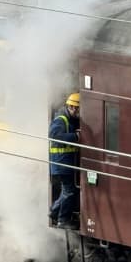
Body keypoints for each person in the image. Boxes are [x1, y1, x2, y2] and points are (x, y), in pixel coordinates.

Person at [49, 92, 81, 229]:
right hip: (61, 163)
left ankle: (54, 211)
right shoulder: (60, 120)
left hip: (65, 163)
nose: (77, 111)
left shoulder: (71, 120)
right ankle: (63, 220)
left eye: (78, 109)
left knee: (66, 191)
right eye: (74, 108)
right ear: (70, 107)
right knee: (70, 191)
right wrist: (75, 137)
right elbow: (54, 136)